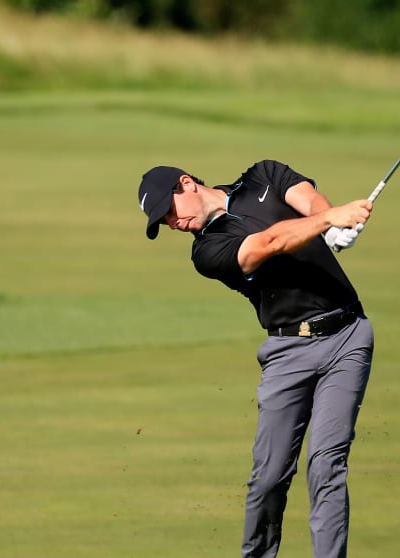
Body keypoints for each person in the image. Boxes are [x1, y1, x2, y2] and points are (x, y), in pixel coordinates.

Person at [137, 160, 374, 558]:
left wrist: (332, 225)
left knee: (326, 465)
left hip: (348, 336)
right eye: (163, 222)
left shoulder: (263, 176)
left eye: (168, 211)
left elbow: (310, 202)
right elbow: (268, 244)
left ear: (186, 184)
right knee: (268, 477)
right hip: (288, 352)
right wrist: (329, 220)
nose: (172, 224)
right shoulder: (207, 252)